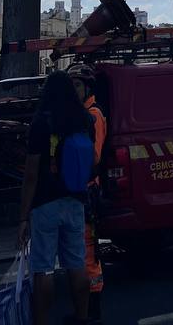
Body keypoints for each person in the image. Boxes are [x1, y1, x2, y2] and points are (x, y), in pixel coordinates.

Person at [19, 71, 95, 325]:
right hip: (75, 200)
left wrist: (22, 217)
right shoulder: (85, 119)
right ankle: (82, 316)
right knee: (76, 263)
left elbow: (31, 174)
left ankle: (41, 320)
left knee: (43, 268)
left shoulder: (42, 122)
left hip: (45, 202)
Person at [68, 64, 107, 320]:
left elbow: (93, 157)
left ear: (88, 88)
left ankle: (92, 313)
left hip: (87, 193)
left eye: (78, 85)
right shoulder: (79, 115)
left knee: (89, 256)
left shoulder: (93, 116)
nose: (74, 90)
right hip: (77, 193)